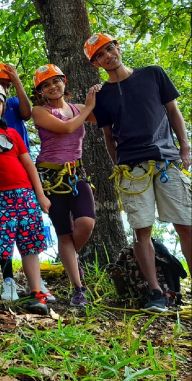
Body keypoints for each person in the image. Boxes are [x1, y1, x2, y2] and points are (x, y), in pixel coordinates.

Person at [84, 33, 191, 313]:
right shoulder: (102, 95)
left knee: (186, 225)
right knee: (141, 231)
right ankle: (156, 293)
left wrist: (185, 149)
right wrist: (117, 164)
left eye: (110, 48)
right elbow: (108, 136)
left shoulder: (153, 74)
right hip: (132, 168)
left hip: (166, 161)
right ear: (96, 63)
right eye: (100, 55)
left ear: (117, 47)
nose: (108, 55)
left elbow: (173, 111)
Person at [0, 81, 51, 315]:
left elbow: (29, 165)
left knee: (30, 244)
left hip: (25, 196)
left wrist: (41, 196)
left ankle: (36, 291)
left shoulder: (13, 133)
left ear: (4, 107)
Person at [32, 64, 99, 306]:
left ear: (64, 81)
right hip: (50, 177)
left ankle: (68, 255)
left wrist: (103, 92)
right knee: (63, 231)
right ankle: (78, 288)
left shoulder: (78, 108)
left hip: (76, 173)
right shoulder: (39, 111)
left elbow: (109, 114)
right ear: (41, 91)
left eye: (55, 81)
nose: (52, 87)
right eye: (45, 85)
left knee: (86, 224)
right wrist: (89, 107)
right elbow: (67, 127)